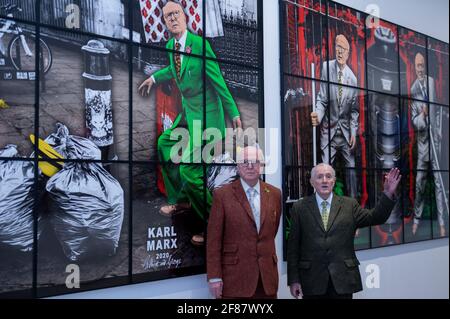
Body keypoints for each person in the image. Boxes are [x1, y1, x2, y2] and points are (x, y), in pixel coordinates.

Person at [138, 1, 242, 245]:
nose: (172, 18)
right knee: (165, 144)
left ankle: (215, 225)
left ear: (185, 17)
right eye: (167, 16)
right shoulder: (170, 46)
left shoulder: (200, 45)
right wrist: (153, 77)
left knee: (189, 168)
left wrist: (234, 113)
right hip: (188, 115)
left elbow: (218, 81)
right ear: (164, 22)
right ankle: (181, 199)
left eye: (176, 14)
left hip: (207, 119)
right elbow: (175, 71)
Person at [287, 163, 401, 299]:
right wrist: (294, 280)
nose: (324, 180)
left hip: (342, 281)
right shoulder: (300, 208)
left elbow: (376, 217)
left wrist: (388, 193)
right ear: (312, 182)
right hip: (311, 281)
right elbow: (293, 247)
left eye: (328, 176)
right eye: (319, 177)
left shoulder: (349, 205)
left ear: (333, 181)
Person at [206, 146, 282, 299]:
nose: (249, 165)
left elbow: (270, 232)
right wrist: (214, 276)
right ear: (238, 166)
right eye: (244, 161)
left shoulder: (275, 194)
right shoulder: (222, 195)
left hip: (266, 281)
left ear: (261, 166)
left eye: (255, 162)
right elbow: (213, 240)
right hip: (234, 280)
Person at [311, 34, 358, 198]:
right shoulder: (326, 68)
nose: (340, 52)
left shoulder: (353, 79)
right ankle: (324, 206)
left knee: (351, 169)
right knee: (324, 171)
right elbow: (322, 99)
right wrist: (318, 114)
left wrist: (353, 132)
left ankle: (353, 207)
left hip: (345, 134)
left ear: (348, 52)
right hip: (328, 131)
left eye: (343, 49)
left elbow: (354, 111)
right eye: (337, 47)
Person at [411, 52, 446, 237]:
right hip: (424, 145)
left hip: (435, 145)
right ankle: (416, 221)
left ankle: (441, 224)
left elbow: (438, 108)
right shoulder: (413, 89)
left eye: (422, 65)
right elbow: (414, 122)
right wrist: (423, 115)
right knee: (420, 184)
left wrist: (438, 128)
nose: (420, 69)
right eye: (417, 66)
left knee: (439, 184)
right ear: (414, 67)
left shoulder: (432, 82)